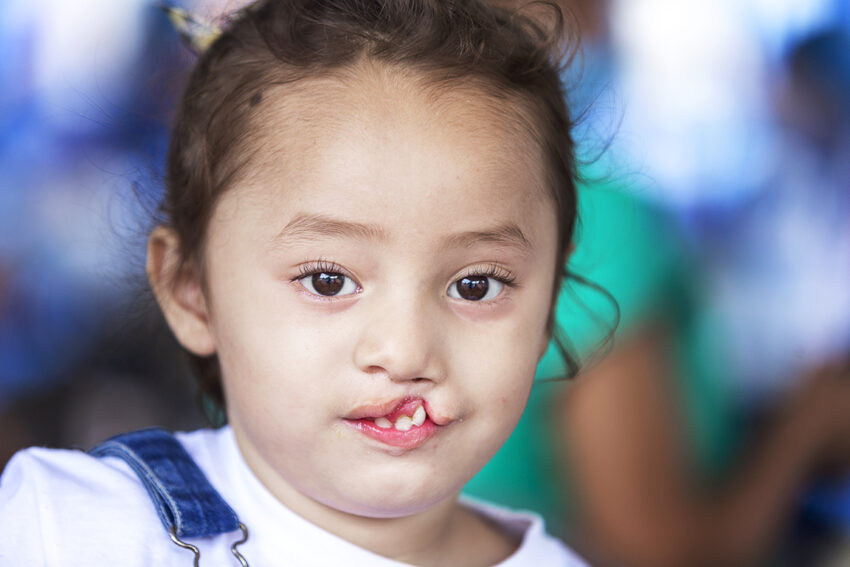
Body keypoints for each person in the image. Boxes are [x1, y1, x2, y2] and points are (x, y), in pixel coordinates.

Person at [0, 1, 590, 565]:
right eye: (329, 281)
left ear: (548, 302)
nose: (407, 352)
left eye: (476, 286)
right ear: (192, 292)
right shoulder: (69, 530)